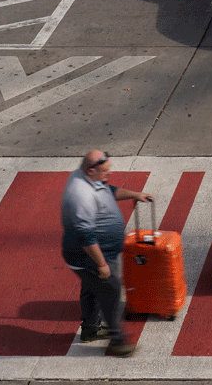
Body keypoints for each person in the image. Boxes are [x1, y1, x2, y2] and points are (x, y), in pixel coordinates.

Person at [60, 150, 151, 357]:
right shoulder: (80, 194)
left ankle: (90, 330)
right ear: (91, 170)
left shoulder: (88, 177)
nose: (109, 174)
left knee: (92, 288)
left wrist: (134, 194)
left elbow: (107, 190)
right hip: (89, 256)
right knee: (110, 290)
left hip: (98, 252)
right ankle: (118, 341)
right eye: (105, 170)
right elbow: (86, 237)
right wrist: (102, 264)